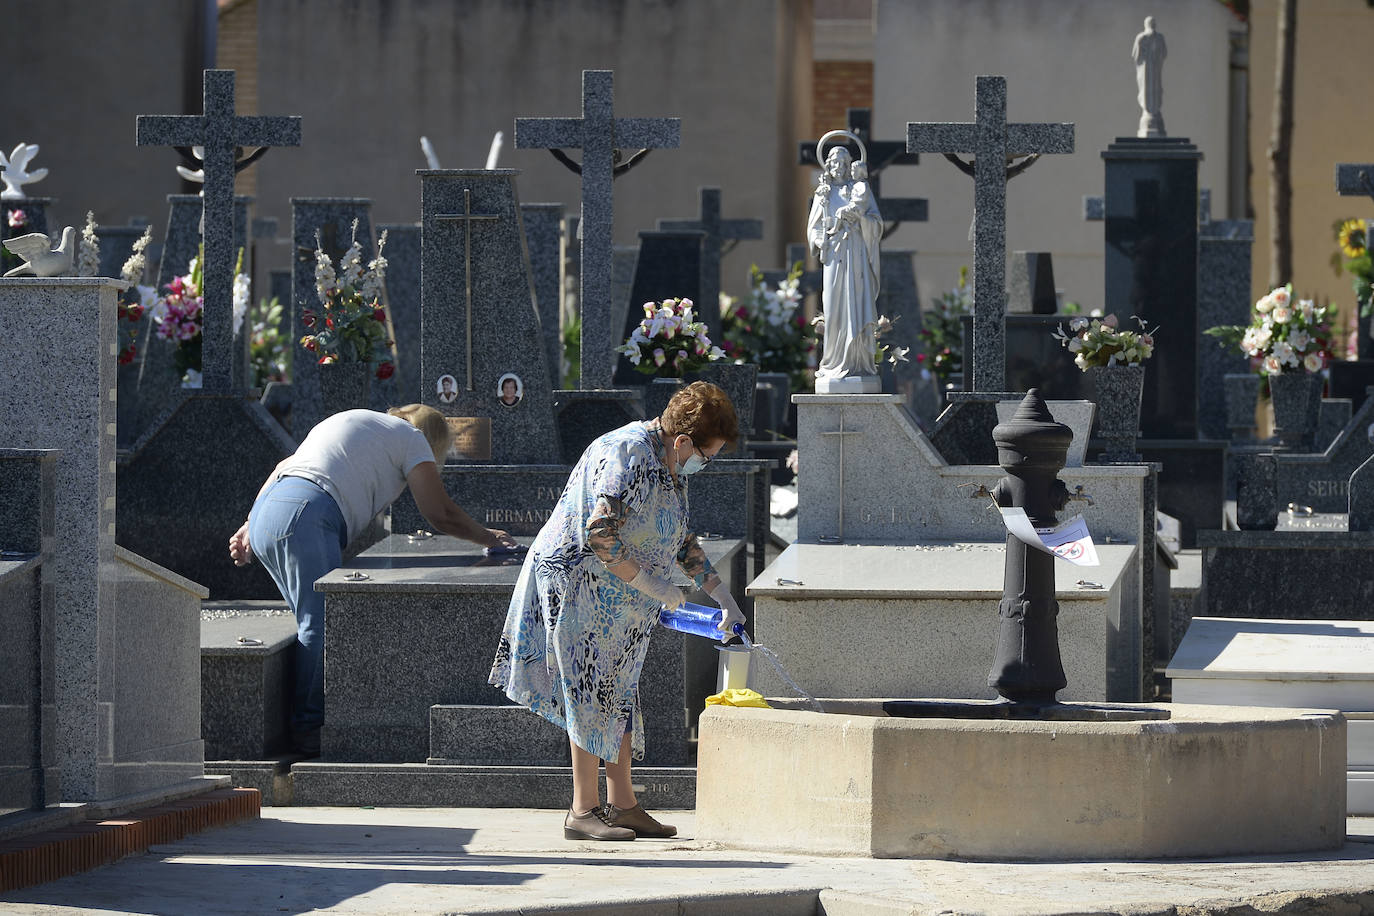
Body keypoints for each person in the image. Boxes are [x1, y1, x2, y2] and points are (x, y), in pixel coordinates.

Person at [489, 381, 745, 841]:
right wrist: (654, 585)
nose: (705, 464)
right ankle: (582, 810)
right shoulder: (627, 452)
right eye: (707, 455)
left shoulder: (669, 465)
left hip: (616, 594)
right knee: (587, 687)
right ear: (683, 441)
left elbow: (681, 539)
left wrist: (722, 597)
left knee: (618, 690)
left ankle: (623, 804)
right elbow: (600, 534)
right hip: (578, 582)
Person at [229, 405, 516, 756]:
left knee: (311, 623)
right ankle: (308, 731)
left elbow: (281, 469)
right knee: (323, 626)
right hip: (306, 515)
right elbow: (439, 513)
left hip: (269, 510)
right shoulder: (412, 438)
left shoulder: (353, 419)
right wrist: (488, 537)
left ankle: (300, 723)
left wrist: (248, 526)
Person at [808, 145, 883, 388]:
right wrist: (822, 240)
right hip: (833, 258)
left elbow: (876, 222)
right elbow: (814, 227)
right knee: (834, 306)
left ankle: (857, 361)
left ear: (849, 165)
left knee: (856, 304)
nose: (837, 166)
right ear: (828, 165)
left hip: (856, 255)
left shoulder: (858, 189)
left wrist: (859, 218)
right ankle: (834, 361)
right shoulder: (824, 193)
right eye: (833, 162)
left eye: (842, 162)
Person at [1132, 16, 1166, 137]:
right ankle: (1150, 113)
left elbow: (1137, 57)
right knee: (1147, 91)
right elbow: (1137, 56)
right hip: (1147, 72)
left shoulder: (1154, 38)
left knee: (1154, 91)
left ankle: (1152, 113)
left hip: (1153, 72)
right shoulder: (1143, 38)